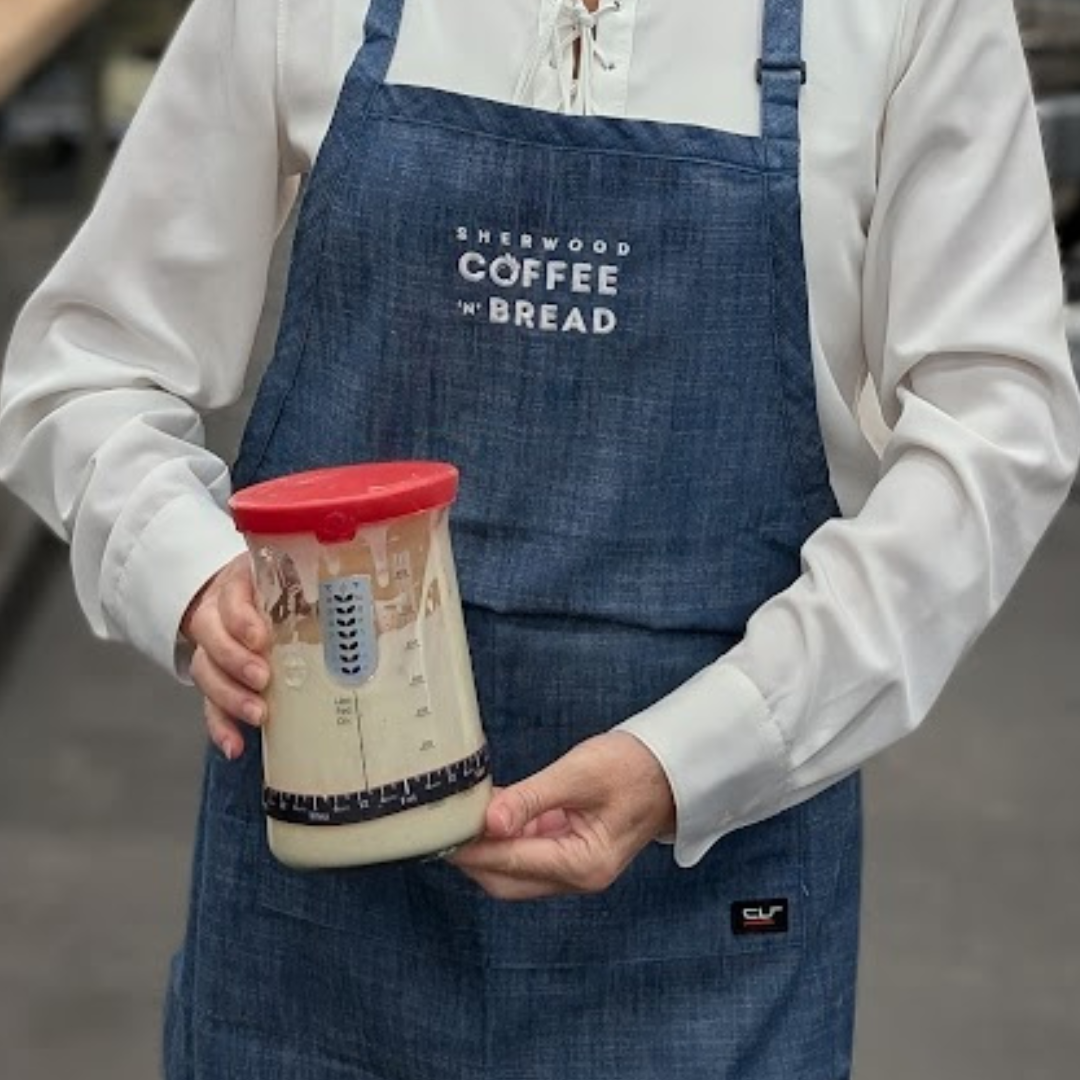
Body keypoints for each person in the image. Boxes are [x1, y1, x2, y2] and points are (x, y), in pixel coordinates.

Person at [1, 0, 1077, 1076]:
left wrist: (696, 757)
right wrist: (192, 579)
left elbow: (995, 429)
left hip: (709, 901)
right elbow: (88, 365)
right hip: (317, 891)